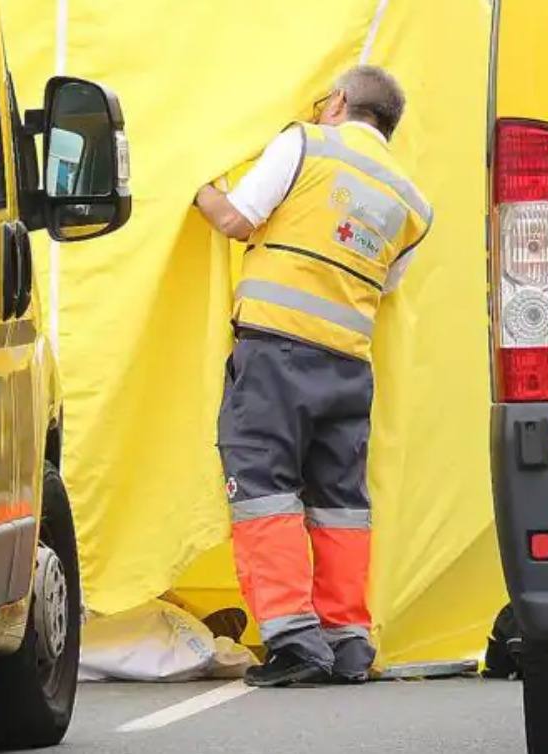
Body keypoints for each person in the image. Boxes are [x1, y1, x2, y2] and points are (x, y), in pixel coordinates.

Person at [193, 64, 432, 688]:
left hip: (276, 351)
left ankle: (292, 637)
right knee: (339, 502)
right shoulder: (412, 203)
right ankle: (347, 639)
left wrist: (193, 186)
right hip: (348, 364)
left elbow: (237, 219)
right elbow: (389, 284)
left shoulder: (305, 143)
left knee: (262, 485)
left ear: (339, 102)